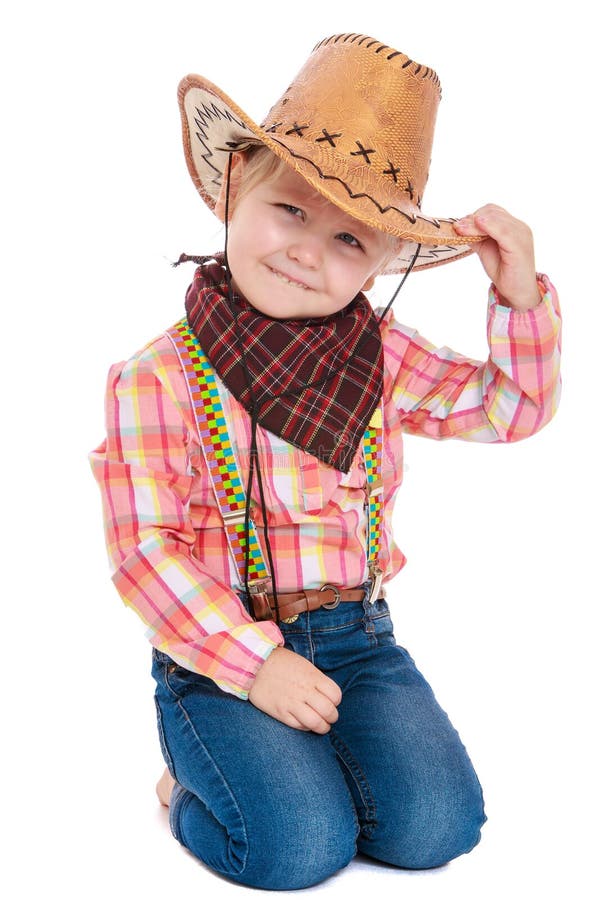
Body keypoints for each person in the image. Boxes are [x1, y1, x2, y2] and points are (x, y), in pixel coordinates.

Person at [90, 33, 561, 890]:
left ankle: (310, 774)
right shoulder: (157, 375)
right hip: (223, 649)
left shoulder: (379, 353)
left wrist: (519, 293)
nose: (308, 251)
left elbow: (509, 410)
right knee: (298, 850)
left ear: (383, 265)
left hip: (357, 638)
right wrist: (255, 664)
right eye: (291, 211)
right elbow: (145, 551)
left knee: (438, 830)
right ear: (235, 191)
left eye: (351, 241)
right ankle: (190, 787)